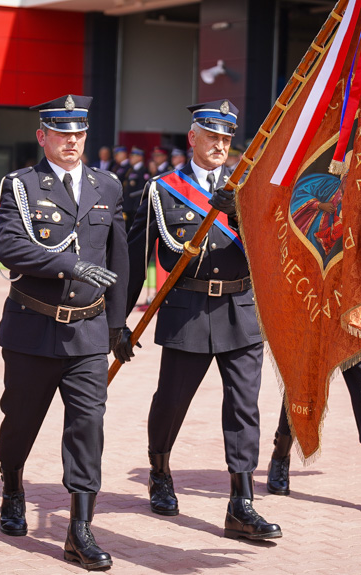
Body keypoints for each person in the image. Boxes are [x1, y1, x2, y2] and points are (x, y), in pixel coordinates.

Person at [113, 99, 281, 541]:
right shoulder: (161, 189)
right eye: (212, 137)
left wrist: (237, 214)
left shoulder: (250, 186)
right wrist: (118, 323)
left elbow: (271, 250)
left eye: (227, 139)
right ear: (193, 138)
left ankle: (241, 503)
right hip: (187, 311)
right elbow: (135, 258)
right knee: (171, 401)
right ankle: (160, 469)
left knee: (244, 407)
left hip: (240, 310)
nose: (220, 146)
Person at [0, 94, 128, 571]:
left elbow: (119, 260)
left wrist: (118, 323)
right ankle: (12, 483)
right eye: (61, 133)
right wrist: (71, 264)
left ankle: (80, 529)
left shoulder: (107, 186)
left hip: (87, 334)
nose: (71, 141)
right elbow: (10, 248)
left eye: (78, 133)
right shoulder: (22, 186)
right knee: (20, 423)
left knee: (87, 427)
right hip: (32, 329)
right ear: (42, 136)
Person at [265, 239, 361, 519]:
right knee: (301, 389)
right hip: (314, 308)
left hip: (358, 314)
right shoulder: (306, 197)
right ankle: (280, 456)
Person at [122, 147, 148, 231]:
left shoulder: (143, 171)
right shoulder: (131, 170)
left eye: (134, 156)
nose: (131, 158)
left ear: (140, 157)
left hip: (135, 207)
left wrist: (137, 207)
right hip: (128, 206)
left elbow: (141, 190)